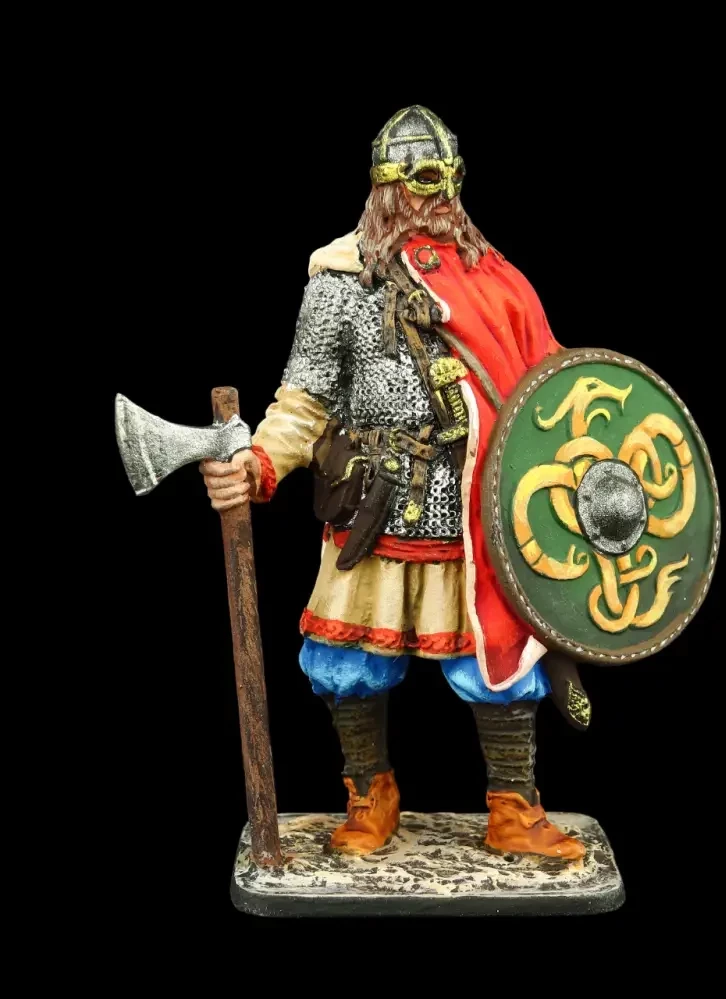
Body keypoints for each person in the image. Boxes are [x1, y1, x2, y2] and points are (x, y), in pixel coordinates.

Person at [201, 106, 587, 860]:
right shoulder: (341, 283)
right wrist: (259, 463)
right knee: (349, 664)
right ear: (383, 187)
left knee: (496, 658)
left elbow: (551, 395)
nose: (431, 197)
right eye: (416, 182)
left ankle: (514, 808)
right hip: (373, 506)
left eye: (444, 181)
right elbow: (304, 403)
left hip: (473, 509)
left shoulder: (496, 282)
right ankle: (368, 794)